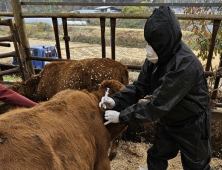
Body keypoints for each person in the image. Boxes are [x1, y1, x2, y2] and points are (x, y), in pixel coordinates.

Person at [99, 6, 212, 170]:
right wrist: (116, 101)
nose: (149, 48)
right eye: (148, 43)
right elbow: (140, 87)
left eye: (153, 44)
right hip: (168, 118)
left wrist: (122, 116)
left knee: (197, 165)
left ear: (165, 43)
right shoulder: (157, 56)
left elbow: (157, 105)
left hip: (192, 122)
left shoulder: (185, 65)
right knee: (157, 155)